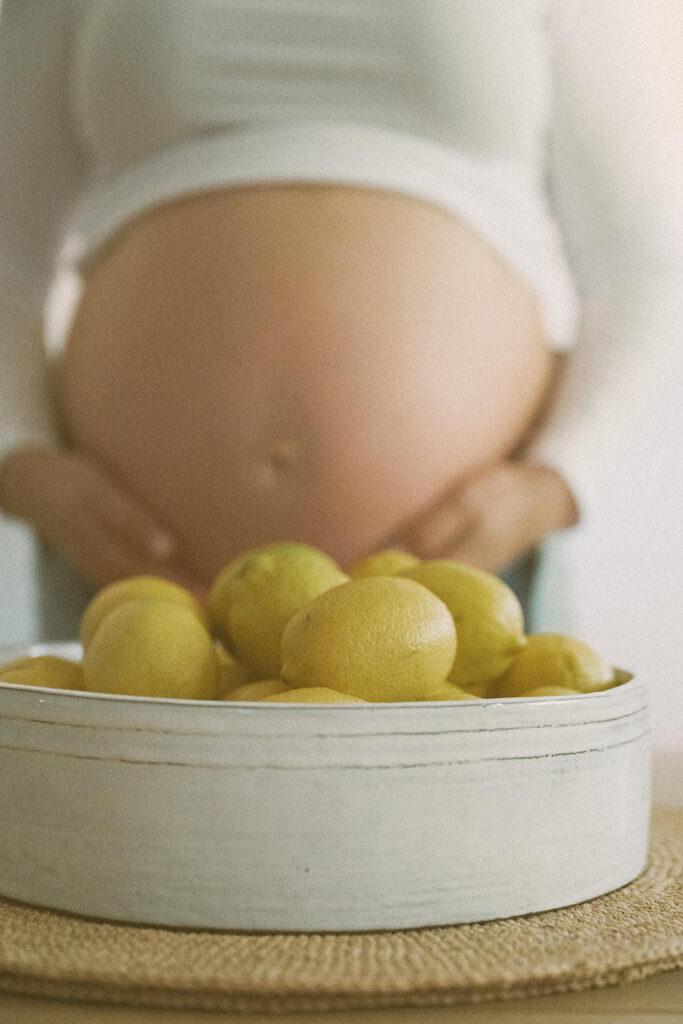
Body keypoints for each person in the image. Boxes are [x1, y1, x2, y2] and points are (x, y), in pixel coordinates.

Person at [0, 1, 680, 640]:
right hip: (133, 594)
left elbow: (638, 255)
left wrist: (555, 483)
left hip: (459, 588)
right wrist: (21, 463)